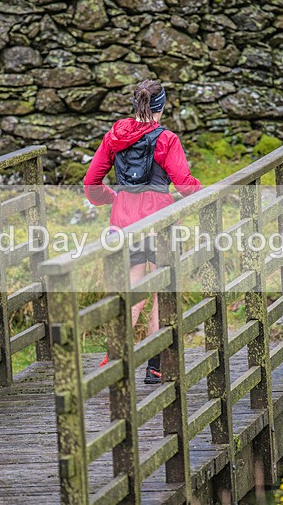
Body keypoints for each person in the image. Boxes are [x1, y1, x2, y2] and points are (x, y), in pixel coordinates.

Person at [83, 80, 202, 384]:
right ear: (161, 106)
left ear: (134, 105)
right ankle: (156, 365)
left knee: (132, 290)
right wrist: (208, 196)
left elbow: (91, 185)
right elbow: (184, 183)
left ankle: (115, 359)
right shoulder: (167, 139)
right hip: (160, 221)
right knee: (162, 291)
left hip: (125, 222)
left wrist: (115, 198)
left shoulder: (114, 137)